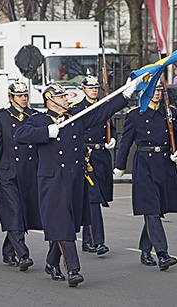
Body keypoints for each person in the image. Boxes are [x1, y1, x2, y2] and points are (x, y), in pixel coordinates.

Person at [14, 79, 138, 287]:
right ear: (50, 101)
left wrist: (125, 94)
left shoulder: (75, 117)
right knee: (62, 223)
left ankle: (51, 262)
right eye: (62, 97)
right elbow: (20, 135)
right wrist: (47, 132)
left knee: (68, 224)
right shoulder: (39, 119)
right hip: (52, 181)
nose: (66, 99)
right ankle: (73, 269)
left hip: (74, 179)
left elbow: (102, 111)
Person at [114, 83, 177, 271]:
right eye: (152, 90)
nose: (156, 94)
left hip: (164, 164)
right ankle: (162, 254)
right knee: (151, 209)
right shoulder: (135, 115)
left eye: (159, 90)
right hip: (144, 164)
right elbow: (125, 143)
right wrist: (119, 166)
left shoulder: (169, 112)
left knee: (156, 210)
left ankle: (145, 250)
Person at [0, 81, 41, 271]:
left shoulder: (34, 116)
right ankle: (22, 254)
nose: (24, 98)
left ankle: (8, 251)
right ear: (11, 97)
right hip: (8, 172)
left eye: (25, 95)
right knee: (14, 211)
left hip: (29, 172)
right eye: (19, 96)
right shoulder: (0, 117)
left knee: (22, 213)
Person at [71, 75, 115, 256]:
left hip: (101, 156)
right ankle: (97, 241)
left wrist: (112, 139)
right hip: (86, 157)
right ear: (83, 90)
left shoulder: (104, 107)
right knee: (93, 199)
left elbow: (110, 127)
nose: (94, 90)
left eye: (96, 87)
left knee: (96, 198)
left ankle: (88, 241)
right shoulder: (77, 109)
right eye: (90, 88)